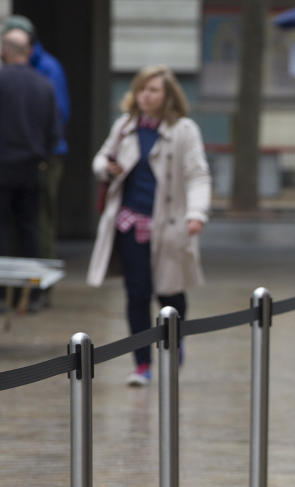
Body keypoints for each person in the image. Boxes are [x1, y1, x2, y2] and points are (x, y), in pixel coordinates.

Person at [87, 65, 210, 387]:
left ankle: (174, 343)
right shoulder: (125, 126)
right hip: (130, 222)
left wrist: (196, 213)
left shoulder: (184, 129)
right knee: (137, 293)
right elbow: (100, 159)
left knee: (170, 293)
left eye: (154, 90)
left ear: (168, 95)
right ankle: (142, 364)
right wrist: (106, 168)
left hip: (169, 224)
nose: (146, 95)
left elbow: (198, 175)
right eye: (142, 88)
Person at [1, 15, 70, 270]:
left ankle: (18, 286)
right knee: (30, 225)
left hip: (18, 162)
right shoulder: (43, 81)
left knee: (24, 225)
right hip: (35, 161)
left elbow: (58, 118)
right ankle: (32, 291)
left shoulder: (48, 70)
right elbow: (56, 124)